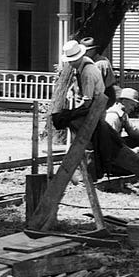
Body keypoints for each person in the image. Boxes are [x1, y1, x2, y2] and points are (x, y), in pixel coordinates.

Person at [51, 40, 118, 178]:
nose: (71, 63)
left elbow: (87, 101)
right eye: (70, 60)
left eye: (73, 60)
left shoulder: (87, 72)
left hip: (94, 108)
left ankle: (91, 174)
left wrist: (72, 113)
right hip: (89, 104)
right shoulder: (82, 64)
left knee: (88, 141)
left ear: (80, 57)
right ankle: (81, 172)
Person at [103, 87, 139, 175]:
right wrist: (131, 151)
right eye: (132, 105)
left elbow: (132, 130)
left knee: (136, 139)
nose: (133, 108)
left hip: (114, 148)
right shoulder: (113, 117)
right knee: (134, 170)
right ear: (123, 101)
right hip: (107, 154)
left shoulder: (123, 114)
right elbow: (109, 143)